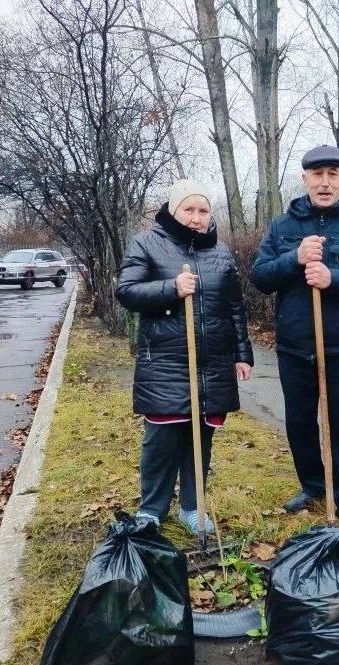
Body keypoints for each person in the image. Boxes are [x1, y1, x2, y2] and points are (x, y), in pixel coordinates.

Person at [250, 145, 339, 529]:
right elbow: (260, 277)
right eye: (317, 175)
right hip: (294, 346)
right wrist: (294, 258)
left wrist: (333, 278)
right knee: (299, 424)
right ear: (305, 179)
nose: (325, 183)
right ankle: (312, 486)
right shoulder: (283, 227)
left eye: (333, 174)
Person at [116, 178, 254, 536]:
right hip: (165, 363)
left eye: (203, 210)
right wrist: (171, 288)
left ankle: (193, 507)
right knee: (161, 439)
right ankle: (152, 509)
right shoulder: (147, 243)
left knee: (200, 439)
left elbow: (235, 307)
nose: (196, 217)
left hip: (212, 364)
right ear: (173, 210)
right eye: (188, 209)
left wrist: (243, 354)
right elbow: (127, 291)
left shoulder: (220, 252)